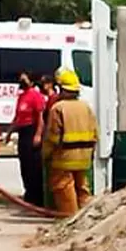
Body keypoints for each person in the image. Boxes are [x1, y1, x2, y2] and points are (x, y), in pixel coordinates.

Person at [42, 67, 99, 217]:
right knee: (82, 188)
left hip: (64, 158)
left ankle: (69, 219)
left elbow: (52, 138)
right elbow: (95, 133)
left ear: (61, 88)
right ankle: (87, 218)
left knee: (63, 187)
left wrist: (45, 155)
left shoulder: (58, 108)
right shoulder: (86, 107)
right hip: (84, 157)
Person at [4, 70, 47, 208]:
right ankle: (29, 195)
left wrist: (38, 134)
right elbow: (18, 117)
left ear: (32, 81)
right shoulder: (22, 96)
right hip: (22, 133)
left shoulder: (36, 96)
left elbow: (40, 118)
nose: (21, 82)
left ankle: (37, 198)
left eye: (24, 79)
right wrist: (9, 133)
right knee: (24, 166)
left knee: (34, 167)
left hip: (32, 131)